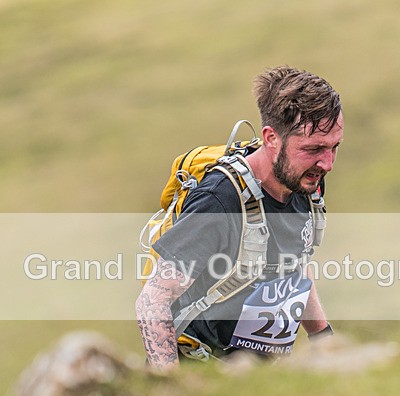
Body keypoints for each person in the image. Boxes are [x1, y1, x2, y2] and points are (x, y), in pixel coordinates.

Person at [136, 66, 343, 372]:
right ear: (271, 138)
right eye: (313, 149)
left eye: (334, 147)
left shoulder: (305, 182)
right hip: (204, 371)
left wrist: (323, 340)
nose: (327, 164)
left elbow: (295, 266)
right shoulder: (220, 201)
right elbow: (152, 303)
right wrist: (173, 387)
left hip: (260, 376)